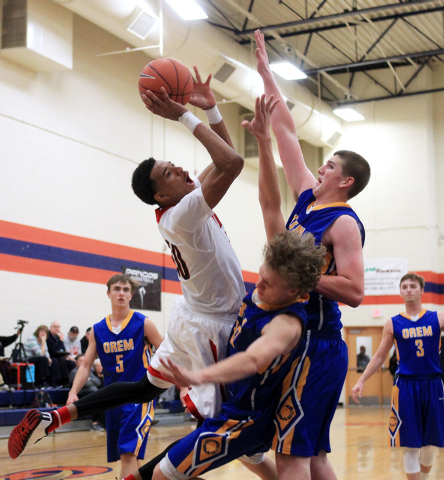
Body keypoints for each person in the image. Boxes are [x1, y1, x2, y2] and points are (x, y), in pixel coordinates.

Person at [8, 68, 248, 467]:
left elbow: (223, 160)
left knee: (143, 388)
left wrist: (212, 111)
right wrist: (185, 116)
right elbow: (233, 162)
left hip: (194, 315)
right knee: (225, 427)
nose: (184, 171)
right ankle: (154, 474)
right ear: (160, 193)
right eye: (171, 172)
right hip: (211, 323)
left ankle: (58, 415)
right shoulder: (183, 213)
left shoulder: (182, 202)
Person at [252, 29, 371, 480]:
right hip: (296, 337)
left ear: (346, 182)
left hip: (318, 342)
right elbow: (285, 130)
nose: (321, 167)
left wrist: (300, 278)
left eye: (331, 166)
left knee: (292, 458)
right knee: (312, 457)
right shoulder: (307, 201)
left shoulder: (342, 223)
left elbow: (356, 291)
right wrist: (266, 74)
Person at [351, 273, 444, 480]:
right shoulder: (393, 323)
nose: (408, 289)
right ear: (400, 292)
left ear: (422, 290)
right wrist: (361, 380)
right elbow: (378, 357)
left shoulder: (437, 318)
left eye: (413, 286)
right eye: (404, 286)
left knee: (430, 444)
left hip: (433, 384)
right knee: (410, 444)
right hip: (406, 387)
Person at [69, 353, 105, 432]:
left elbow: (98, 382)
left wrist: (89, 379)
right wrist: (88, 380)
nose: (82, 362)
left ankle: (99, 423)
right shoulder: (74, 372)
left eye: (83, 360)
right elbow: (85, 383)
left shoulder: (90, 372)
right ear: (76, 362)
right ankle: (95, 423)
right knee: (98, 399)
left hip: (92, 393)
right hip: (81, 394)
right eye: (80, 361)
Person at [47, 321, 75, 387]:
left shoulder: (57, 337)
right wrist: (60, 340)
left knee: (71, 363)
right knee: (58, 360)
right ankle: (62, 381)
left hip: (59, 356)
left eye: (58, 327)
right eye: (55, 327)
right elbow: (52, 350)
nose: (57, 329)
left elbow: (62, 349)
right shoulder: (48, 337)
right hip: (51, 356)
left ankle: (72, 381)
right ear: (51, 328)